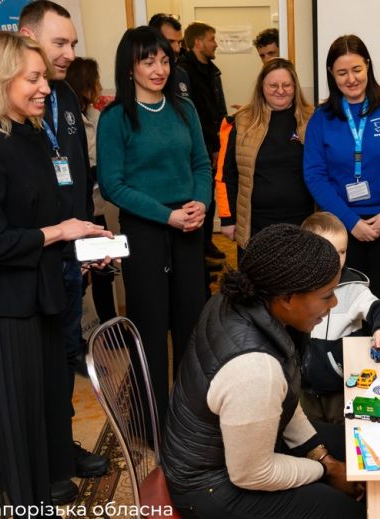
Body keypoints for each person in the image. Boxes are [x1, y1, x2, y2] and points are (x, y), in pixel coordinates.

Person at [0, 31, 112, 511]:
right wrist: (60, 233)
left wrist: (80, 247)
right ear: (0, 78)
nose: (46, 88)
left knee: (38, 409)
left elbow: (43, 216)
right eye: (33, 78)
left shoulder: (29, 134)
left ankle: (39, 491)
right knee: (10, 416)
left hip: (33, 295)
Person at [161, 224, 365, 519]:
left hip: (228, 452)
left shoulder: (237, 299)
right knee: (346, 512)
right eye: (326, 296)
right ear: (286, 297)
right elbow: (254, 474)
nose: (333, 305)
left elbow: (282, 399)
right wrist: (325, 470)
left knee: (354, 443)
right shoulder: (255, 369)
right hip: (209, 489)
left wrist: (324, 456)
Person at [97, 26, 211, 429]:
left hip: (189, 226)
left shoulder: (185, 109)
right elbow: (113, 184)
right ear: (129, 68)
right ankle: (149, 423)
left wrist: (201, 202)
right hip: (145, 231)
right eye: (148, 61)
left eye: (164, 60)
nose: (159, 69)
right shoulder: (116, 118)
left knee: (190, 323)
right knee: (149, 325)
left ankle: (189, 418)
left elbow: (201, 163)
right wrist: (166, 215)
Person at [304, 34, 380, 313]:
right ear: (331, 74)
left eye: (357, 69)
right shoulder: (321, 119)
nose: (351, 79)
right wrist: (351, 222)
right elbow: (315, 175)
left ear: (368, 66)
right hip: (342, 228)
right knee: (344, 306)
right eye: (342, 73)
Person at [299, 212, 380, 424]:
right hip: (301, 388)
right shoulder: (295, 287)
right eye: (328, 252)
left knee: (343, 434)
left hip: (341, 387)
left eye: (342, 252)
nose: (337, 260)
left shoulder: (353, 288)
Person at [219, 58, 314, 252]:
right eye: (273, 85)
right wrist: (228, 219)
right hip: (255, 225)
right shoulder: (241, 121)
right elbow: (225, 174)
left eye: (286, 85)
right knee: (256, 281)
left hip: (303, 223)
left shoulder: (313, 119)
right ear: (261, 86)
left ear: (295, 87)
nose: (280, 90)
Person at [65, 57, 117, 326]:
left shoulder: (95, 115)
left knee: (104, 270)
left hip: (95, 206)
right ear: (85, 84)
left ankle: (108, 326)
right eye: (95, 80)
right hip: (79, 212)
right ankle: (85, 332)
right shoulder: (69, 121)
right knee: (81, 275)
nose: (99, 85)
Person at [180, 22, 228, 271]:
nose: (215, 43)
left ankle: (207, 241)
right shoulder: (183, 71)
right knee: (197, 195)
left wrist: (221, 142)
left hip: (214, 142)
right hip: (195, 148)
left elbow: (218, 109)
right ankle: (199, 248)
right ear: (198, 42)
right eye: (211, 39)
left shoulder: (213, 71)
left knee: (208, 194)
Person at [148, 13, 192, 101]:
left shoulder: (182, 74)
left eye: (179, 43)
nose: (177, 49)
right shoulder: (144, 75)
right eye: (170, 42)